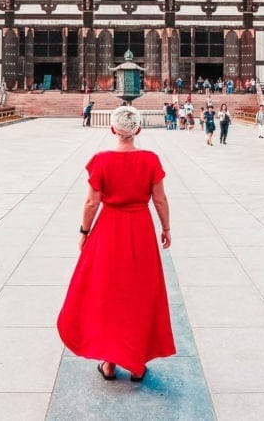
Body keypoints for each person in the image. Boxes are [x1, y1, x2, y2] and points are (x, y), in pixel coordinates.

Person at [57, 106, 175, 383]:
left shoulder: (101, 160)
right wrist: (166, 227)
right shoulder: (150, 160)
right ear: (138, 130)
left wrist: (84, 231)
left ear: (112, 130)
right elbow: (160, 199)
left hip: (108, 230)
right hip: (141, 230)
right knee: (139, 292)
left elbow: (91, 202)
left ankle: (109, 363)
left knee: (109, 293)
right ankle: (136, 364)